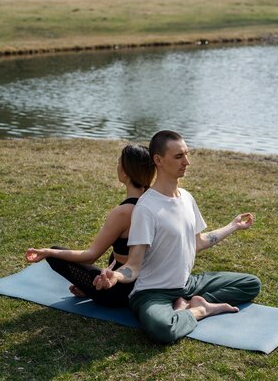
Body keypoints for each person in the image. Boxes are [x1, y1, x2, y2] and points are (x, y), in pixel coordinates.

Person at [93, 130, 261, 343]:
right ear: (158, 160)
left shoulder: (187, 198)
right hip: (152, 293)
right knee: (162, 329)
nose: (187, 162)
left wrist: (233, 226)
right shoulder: (146, 208)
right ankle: (199, 310)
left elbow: (197, 242)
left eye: (187, 155)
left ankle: (186, 302)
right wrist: (115, 277)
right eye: (179, 156)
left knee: (251, 284)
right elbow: (134, 265)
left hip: (186, 283)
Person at [24, 143, 155, 307]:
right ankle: (89, 288)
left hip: (120, 292)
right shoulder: (154, 202)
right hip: (151, 284)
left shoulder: (123, 212)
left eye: (118, 163)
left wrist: (47, 251)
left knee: (56, 255)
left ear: (125, 172)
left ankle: (93, 288)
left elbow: (91, 255)